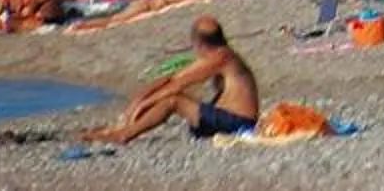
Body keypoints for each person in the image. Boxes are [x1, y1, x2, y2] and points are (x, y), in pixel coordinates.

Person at [81, 15, 260, 144]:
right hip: (224, 120)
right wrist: (138, 100)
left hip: (238, 123)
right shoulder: (218, 55)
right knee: (171, 96)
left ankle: (124, 135)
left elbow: (176, 87)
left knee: (174, 101)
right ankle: (121, 129)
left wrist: (144, 105)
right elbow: (173, 78)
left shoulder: (222, 58)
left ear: (198, 43)